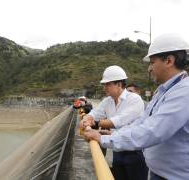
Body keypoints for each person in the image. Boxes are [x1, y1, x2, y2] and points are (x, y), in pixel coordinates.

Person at [82, 33, 189, 180]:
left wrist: (103, 138)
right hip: (158, 171)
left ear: (169, 61)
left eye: (152, 62)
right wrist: (114, 135)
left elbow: (152, 130)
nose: (149, 69)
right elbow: (143, 122)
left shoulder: (183, 93)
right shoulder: (164, 92)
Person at [80, 65, 148, 180]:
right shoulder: (108, 101)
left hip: (134, 153)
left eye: (107, 84)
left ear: (119, 84)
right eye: (104, 85)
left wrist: (97, 123)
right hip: (117, 150)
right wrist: (87, 118)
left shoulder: (134, 100)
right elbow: (96, 112)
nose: (104, 88)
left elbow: (120, 120)